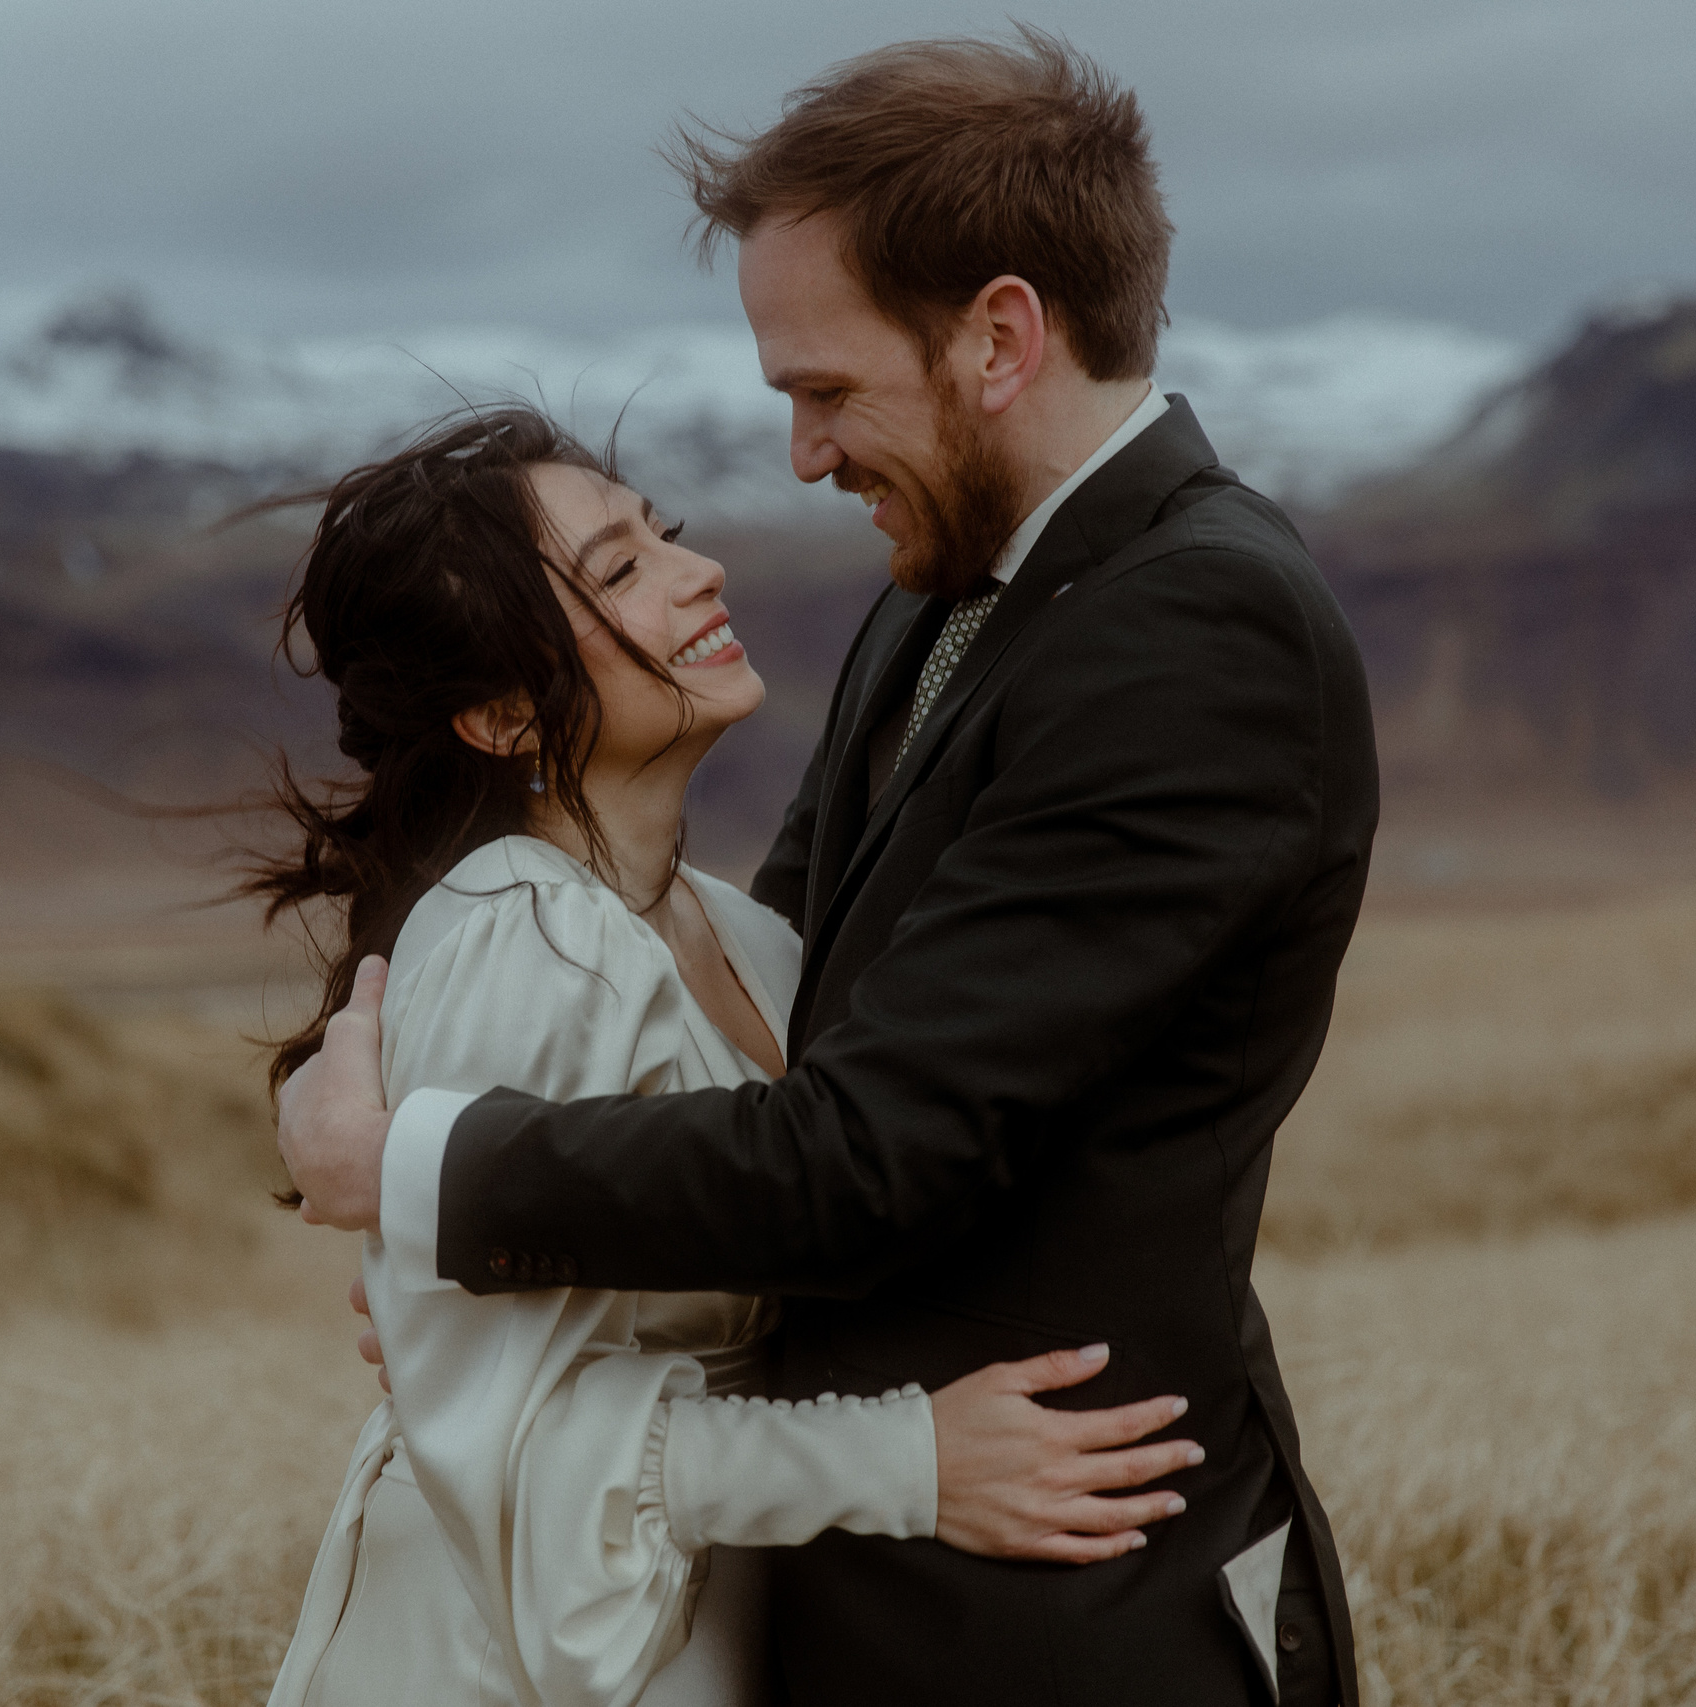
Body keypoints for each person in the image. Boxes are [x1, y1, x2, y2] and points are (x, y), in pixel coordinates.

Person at [278, 29, 1378, 1707]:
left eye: (825, 389)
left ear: (999, 336)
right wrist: (480, 1310)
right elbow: (776, 1016)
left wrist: (431, 1186)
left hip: (1055, 1619)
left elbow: (867, 1152)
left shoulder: (1192, 626)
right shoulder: (947, 593)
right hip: (856, 1596)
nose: (800, 455)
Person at [253, 407, 1208, 1707]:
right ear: (497, 710)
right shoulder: (518, 934)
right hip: (494, 1660)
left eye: (667, 535)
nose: (698, 573)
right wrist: (912, 1462)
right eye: (621, 571)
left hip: (699, 1629)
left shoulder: (744, 931)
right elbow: (519, 1453)